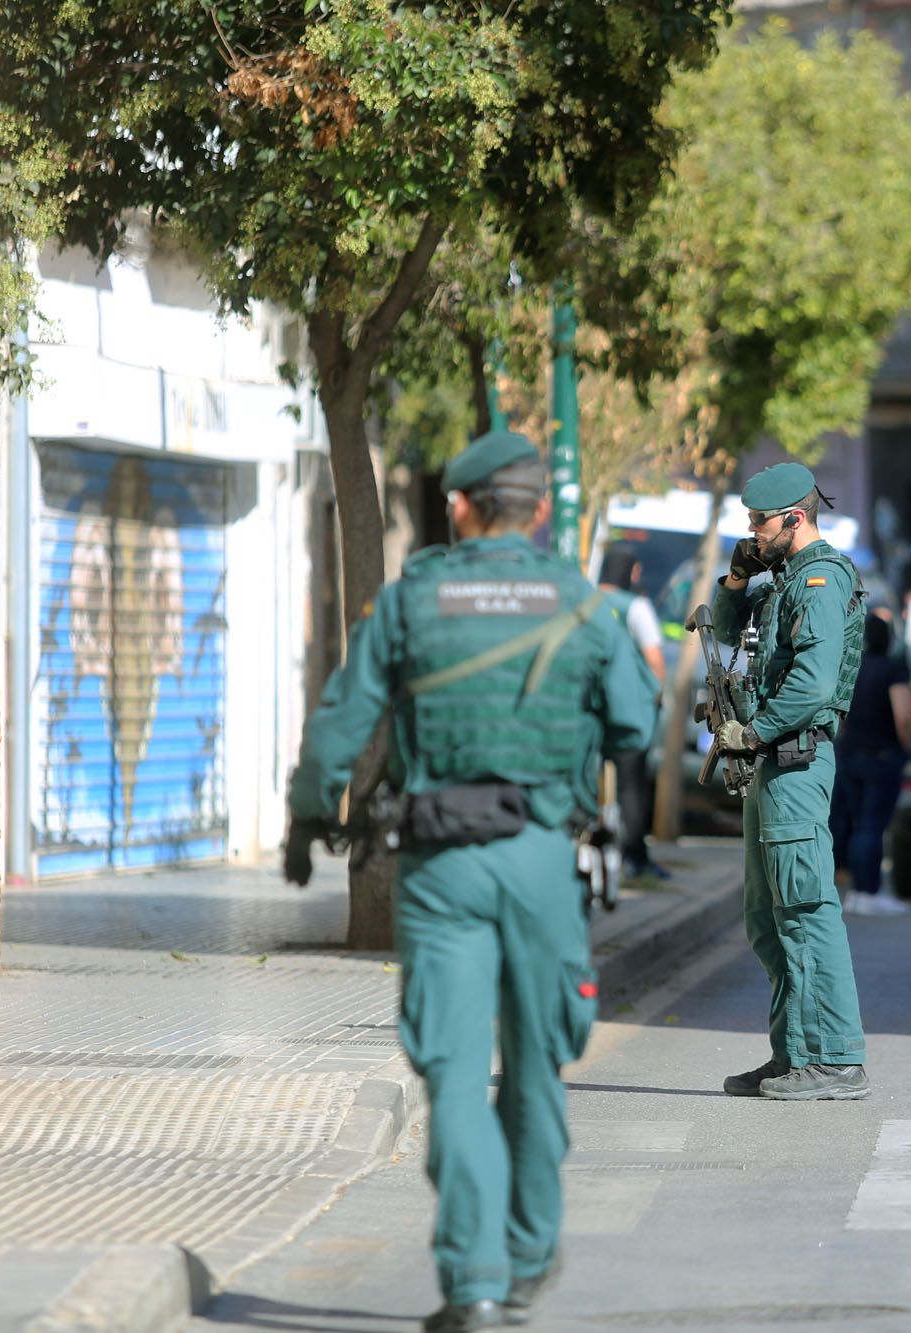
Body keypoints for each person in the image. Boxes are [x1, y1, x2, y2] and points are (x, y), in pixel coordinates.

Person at [282, 429, 659, 1333]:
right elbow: (637, 725)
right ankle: (530, 1254)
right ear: (537, 510)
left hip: (440, 864)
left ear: (457, 506)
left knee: (452, 1069)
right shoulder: (581, 603)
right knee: (537, 1060)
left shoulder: (414, 599)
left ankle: (475, 1283)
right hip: (538, 858)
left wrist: (305, 815)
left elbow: (343, 718)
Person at [708, 461, 871, 1101]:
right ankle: (794, 1054)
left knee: (804, 909)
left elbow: (813, 683)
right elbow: (725, 628)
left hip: (795, 760)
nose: (752, 530)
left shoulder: (822, 580)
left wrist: (754, 732)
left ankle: (835, 1059)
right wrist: (736, 576)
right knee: (766, 918)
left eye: (759, 522)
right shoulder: (785, 580)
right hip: (775, 764)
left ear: (794, 519)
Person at [596, 546, 670, 880]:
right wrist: (657, 695)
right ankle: (634, 858)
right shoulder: (636, 607)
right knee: (631, 788)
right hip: (629, 713)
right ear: (631, 572)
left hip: (590, 709)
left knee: (587, 781)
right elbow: (654, 659)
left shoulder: (587, 602)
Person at [833, 614, 911, 916]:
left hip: (849, 753)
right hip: (881, 756)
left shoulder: (848, 670)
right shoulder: (893, 671)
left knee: (856, 824)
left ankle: (856, 891)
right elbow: (903, 716)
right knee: (872, 826)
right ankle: (870, 891)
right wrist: (907, 747)